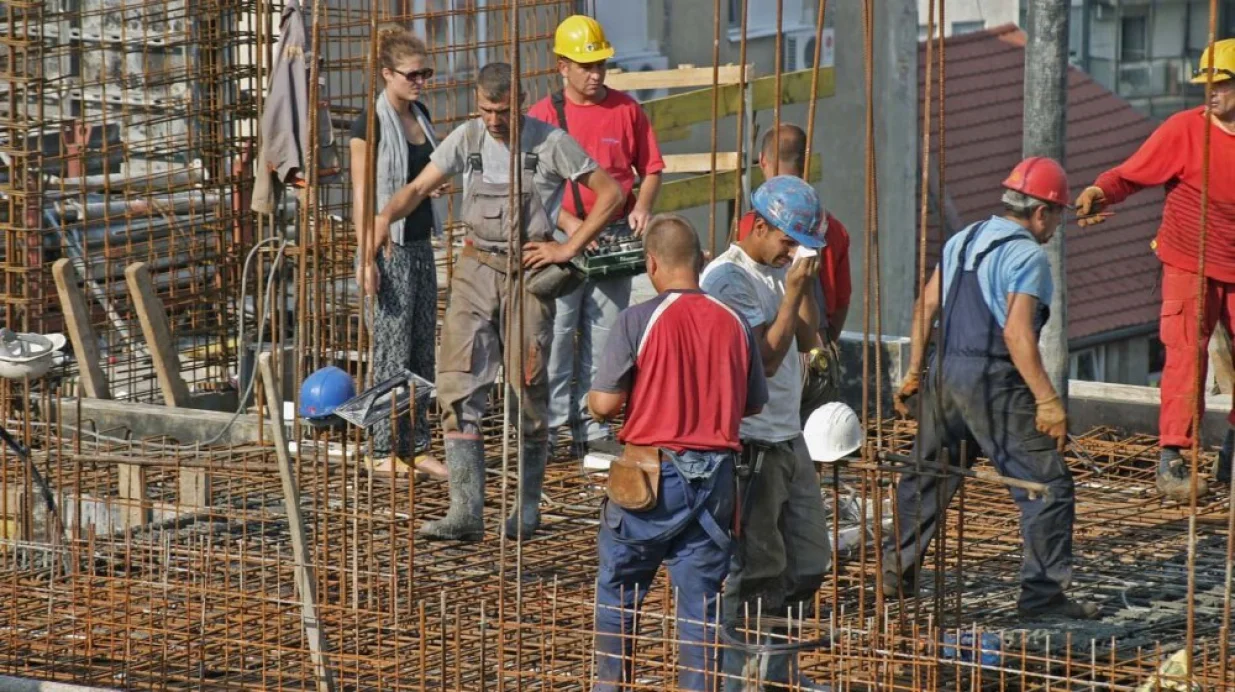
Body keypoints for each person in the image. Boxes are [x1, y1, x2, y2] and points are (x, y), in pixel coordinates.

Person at [372, 62, 623, 541]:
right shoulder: (466, 139)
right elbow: (419, 188)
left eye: (503, 110)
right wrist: (385, 216)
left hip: (527, 274)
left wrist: (567, 247)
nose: (493, 120)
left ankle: (526, 510)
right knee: (457, 383)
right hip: (475, 268)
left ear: (521, 102)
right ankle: (465, 511)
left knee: (527, 388)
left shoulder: (549, 143)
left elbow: (610, 195)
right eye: (485, 109)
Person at [887, 157, 1098, 621]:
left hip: (945, 376)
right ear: (1040, 212)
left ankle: (893, 574)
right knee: (1048, 486)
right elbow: (1018, 334)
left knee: (928, 476)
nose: (1056, 225)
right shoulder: (1027, 255)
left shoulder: (963, 239)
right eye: (1057, 214)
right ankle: (1043, 596)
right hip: (992, 381)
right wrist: (1047, 399)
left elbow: (925, 307)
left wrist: (915, 373)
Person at [588, 214, 767, 692]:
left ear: (651, 264)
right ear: (702, 260)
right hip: (717, 486)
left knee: (618, 593)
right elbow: (753, 403)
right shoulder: (735, 323)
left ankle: (611, 687)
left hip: (653, 480)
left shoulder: (638, 320)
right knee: (700, 609)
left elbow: (604, 404)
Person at [1074, 38, 1235, 500]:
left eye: (1222, 84)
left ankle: (1230, 455)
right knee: (1186, 354)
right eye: (1207, 84)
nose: (1211, 93)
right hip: (1189, 260)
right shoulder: (1184, 131)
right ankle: (1173, 461)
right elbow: (1130, 175)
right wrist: (1099, 193)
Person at [700, 175, 831, 691]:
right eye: (787, 240)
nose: (791, 253)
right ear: (757, 225)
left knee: (807, 561)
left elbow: (805, 331)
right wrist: (794, 286)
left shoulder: (781, 271)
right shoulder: (726, 280)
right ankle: (732, 681)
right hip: (750, 444)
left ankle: (778, 674)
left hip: (788, 436)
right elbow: (768, 359)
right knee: (752, 571)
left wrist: (804, 287)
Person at [528, 15, 665, 455]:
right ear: (562, 66)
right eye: (586, 66)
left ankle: (590, 429)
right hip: (560, 240)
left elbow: (653, 167)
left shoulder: (626, 110)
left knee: (604, 335)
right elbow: (529, 183)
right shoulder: (544, 116)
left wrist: (642, 205)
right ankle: (550, 429)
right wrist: (570, 227)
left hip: (613, 238)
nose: (596, 74)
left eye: (601, 65)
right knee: (559, 332)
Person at [351, 25, 447, 481]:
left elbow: (425, 176)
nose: (420, 81)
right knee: (390, 351)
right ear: (387, 73)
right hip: (389, 248)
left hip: (421, 243)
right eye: (412, 74)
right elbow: (361, 194)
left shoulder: (421, 114)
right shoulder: (367, 122)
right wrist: (364, 257)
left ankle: (416, 444)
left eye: (425, 73)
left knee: (421, 348)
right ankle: (381, 447)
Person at [735, 124, 852, 423]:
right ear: (805, 162)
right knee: (816, 443)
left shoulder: (757, 224)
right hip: (819, 349)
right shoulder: (832, 226)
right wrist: (823, 344)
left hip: (780, 352)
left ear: (763, 160)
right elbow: (841, 302)